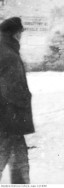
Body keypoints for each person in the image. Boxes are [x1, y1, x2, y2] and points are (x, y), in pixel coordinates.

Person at [0, 17, 33, 184]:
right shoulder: (9, 55)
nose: (21, 36)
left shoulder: (4, 49)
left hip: (9, 118)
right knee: (6, 156)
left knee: (19, 161)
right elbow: (10, 89)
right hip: (8, 118)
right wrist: (25, 99)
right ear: (15, 34)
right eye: (20, 33)